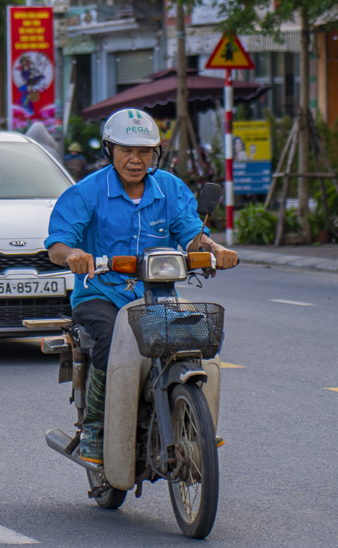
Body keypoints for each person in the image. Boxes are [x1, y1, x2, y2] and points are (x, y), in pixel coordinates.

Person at [47, 108, 239, 465]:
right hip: (100, 294)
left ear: (156, 153)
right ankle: (95, 430)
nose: (135, 160)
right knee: (108, 340)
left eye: (145, 151)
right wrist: (74, 254)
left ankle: (195, 422)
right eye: (126, 150)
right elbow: (58, 244)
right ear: (110, 150)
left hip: (157, 294)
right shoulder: (86, 192)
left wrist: (214, 250)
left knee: (194, 338)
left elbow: (192, 235)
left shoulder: (170, 188)